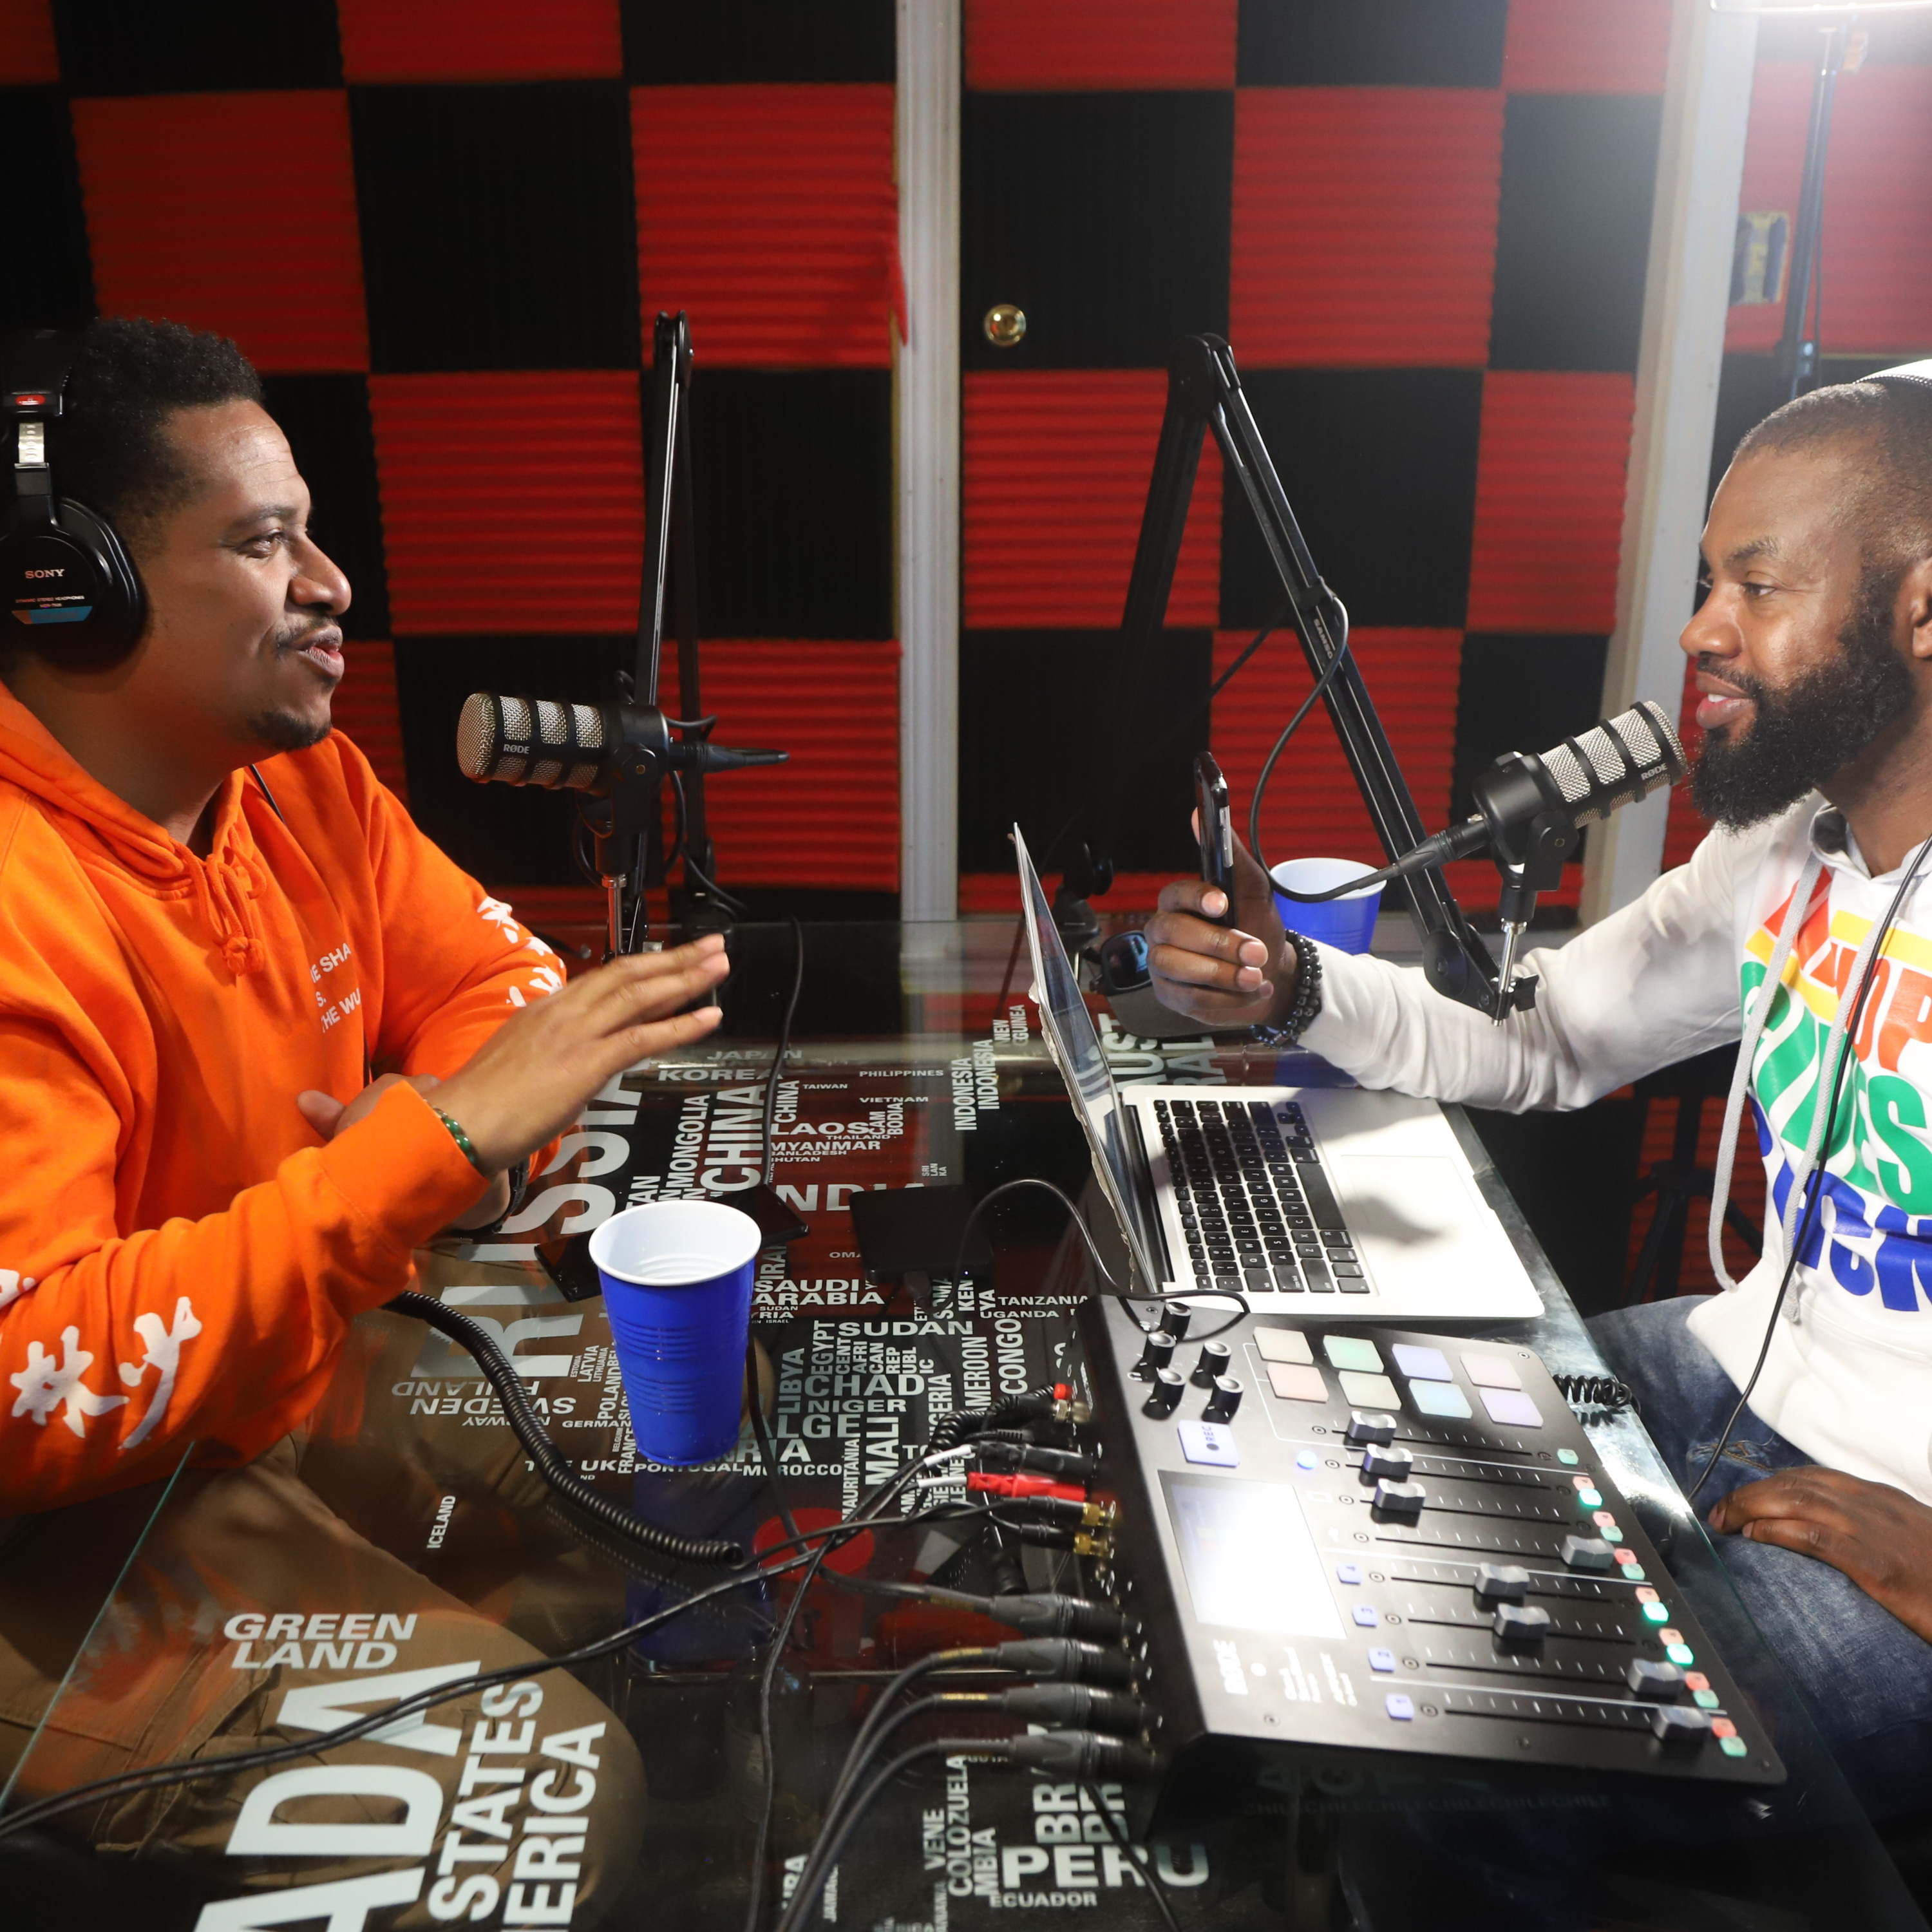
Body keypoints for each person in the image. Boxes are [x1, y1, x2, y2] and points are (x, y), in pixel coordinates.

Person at [0, 318, 731, 1920]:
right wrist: (424, 1154)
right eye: (265, 542)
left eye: (311, 532)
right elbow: (28, 1380)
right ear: (70, 586)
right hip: (59, 1530)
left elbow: (498, 982)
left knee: (653, 1488)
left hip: (271, 1375)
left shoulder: (294, 785)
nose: (331, 583)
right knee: (542, 1804)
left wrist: (448, 1125)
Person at [1144, 369, 1932, 1818]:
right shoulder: (1781, 850)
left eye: (1758, 587)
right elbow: (1547, 1035)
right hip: (1730, 1372)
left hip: (1911, 1526)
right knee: (1332, 1462)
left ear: (1922, 611)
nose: (1701, 632)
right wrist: (1290, 985)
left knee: (1481, 1756)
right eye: (1709, 584)